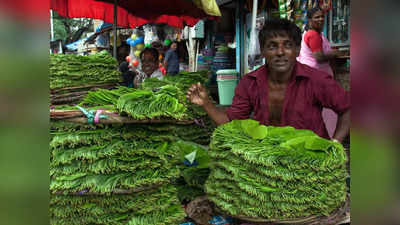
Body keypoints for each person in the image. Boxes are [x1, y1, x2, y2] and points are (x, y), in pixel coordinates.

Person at [186, 18, 350, 142]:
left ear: (297, 49)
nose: (280, 52)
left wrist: (335, 144)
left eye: (287, 45)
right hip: (267, 165)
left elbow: (348, 109)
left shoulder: (316, 80)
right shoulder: (249, 83)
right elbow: (230, 123)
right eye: (272, 46)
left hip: (311, 162)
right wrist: (207, 104)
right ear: (263, 51)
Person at [297, 7, 345, 138]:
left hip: (312, 76)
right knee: (326, 109)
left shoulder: (314, 34)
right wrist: (334, 53)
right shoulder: (313, 35)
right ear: (310, 20)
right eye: (317, 17)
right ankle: (328, 138)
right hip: (316, 77)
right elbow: (318, 57)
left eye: (322, 16)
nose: (321, 19)